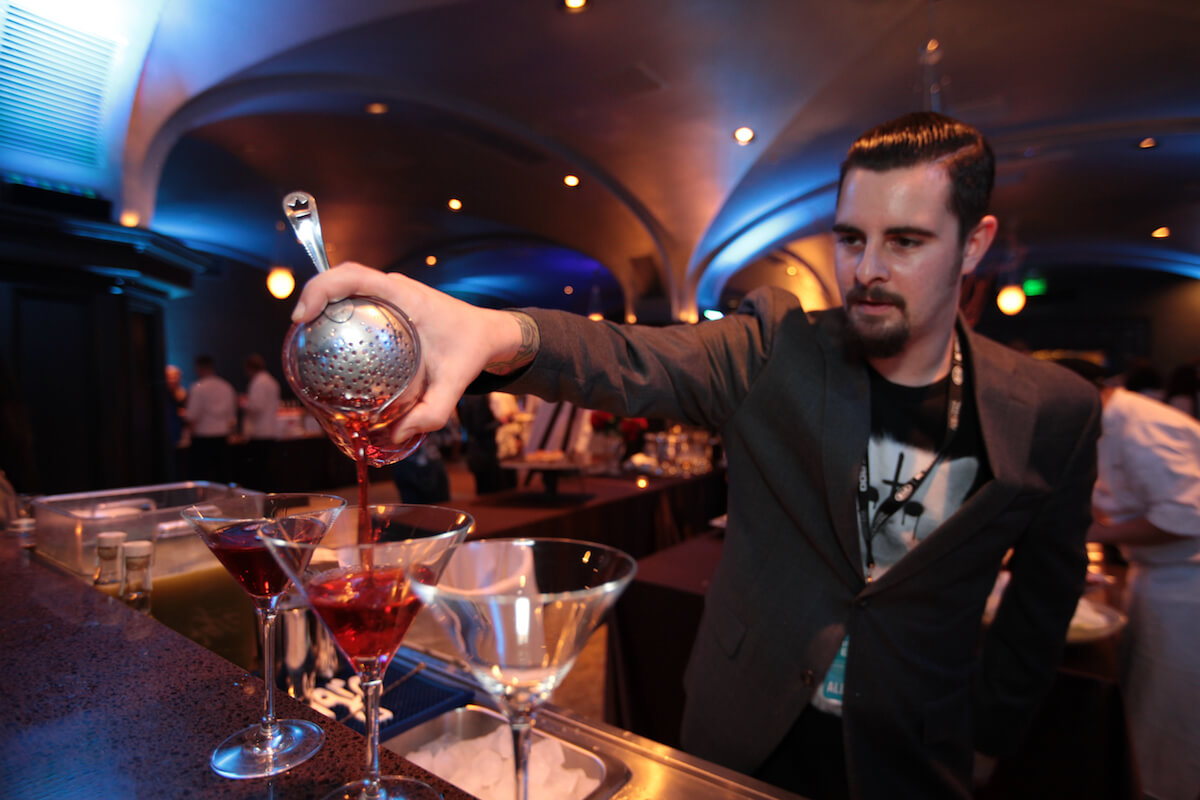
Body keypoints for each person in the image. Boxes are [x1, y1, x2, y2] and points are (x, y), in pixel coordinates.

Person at [290, 112, 1101, 800]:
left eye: (907, 241)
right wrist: (499, 332)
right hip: (745, 733)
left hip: (913, 755)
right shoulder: (777, 348)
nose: (867, 270)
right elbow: (632, 359)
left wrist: (989, 739)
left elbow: (1043, 601)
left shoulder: (1052, 412)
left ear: (974, 243)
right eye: (852, 238)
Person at [1058, 358, 1200, 800]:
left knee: (1171, 717)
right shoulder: (1115, 420)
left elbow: (1187, 516)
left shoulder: (1143, 425)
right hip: (1158, 577)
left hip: (1186, 587)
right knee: (1146, 706)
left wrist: (1090, 532)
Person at [186, 355, 237, 483]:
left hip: (203, 438)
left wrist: (188, 434)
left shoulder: (198, 387)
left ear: (199, 369)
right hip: (222, 438)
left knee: (204, 477)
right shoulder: (226, 386)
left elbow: (192, 415)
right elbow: (231, 417)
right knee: (222, 477)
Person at [238, 353, 281, 489]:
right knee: (268, 469)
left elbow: (257, 406)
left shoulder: (258, 382)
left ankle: (260, 497)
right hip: (271, 430)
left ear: (249, 368)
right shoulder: (272, 381)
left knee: (259, 471)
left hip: (259, 432)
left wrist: (242, 403)